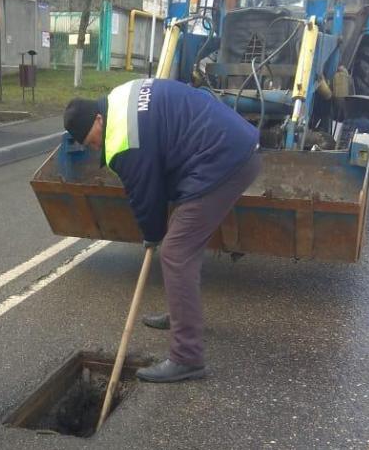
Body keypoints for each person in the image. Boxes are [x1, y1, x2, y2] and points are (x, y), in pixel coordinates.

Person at [63, 79, 261, 383]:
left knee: (175, 252)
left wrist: (151, 233)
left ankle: (187, 357)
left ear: (98, 119)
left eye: (93, 140)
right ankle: (183, 315)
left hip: (220, 159)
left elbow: (145, 194)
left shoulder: (121, 138)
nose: (96, 147)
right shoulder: (118, 96)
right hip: (227, 146)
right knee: (184, 246)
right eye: (90, 145)